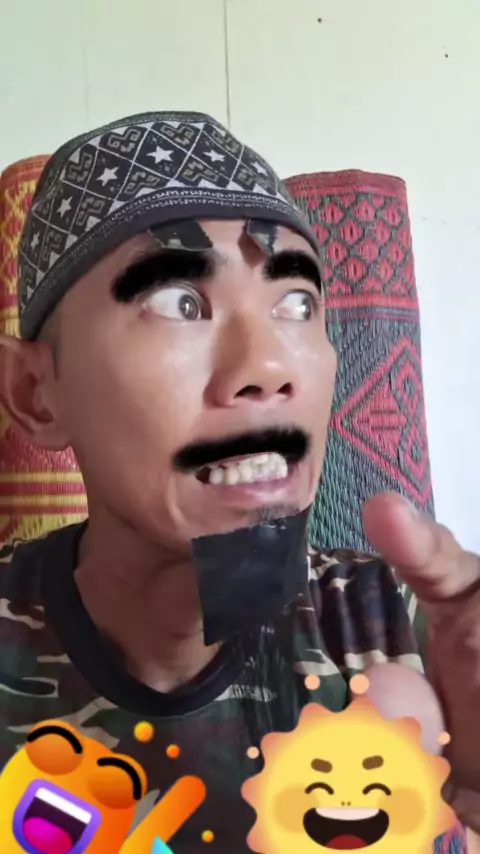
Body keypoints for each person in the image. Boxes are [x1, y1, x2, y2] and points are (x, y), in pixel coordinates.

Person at [0, 111, 478, 853]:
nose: (269, 366)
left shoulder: (417, 641)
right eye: (179, 304)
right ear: (35, 393)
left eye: (297, 305)